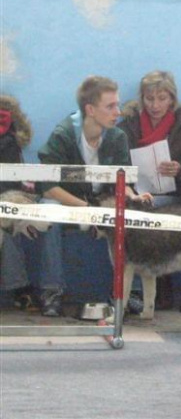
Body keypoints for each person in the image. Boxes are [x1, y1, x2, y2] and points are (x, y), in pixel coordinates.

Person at [37, 76, 151, 316]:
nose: (118, 112)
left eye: (117, 105)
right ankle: (51, 291)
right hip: (69, 200)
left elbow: (123, 181)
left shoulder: (117, 137)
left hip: (103, 201)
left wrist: (132, 196)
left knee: (134, 215)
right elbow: (47, 185)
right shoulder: (64, 134)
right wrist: (85, 207)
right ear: (90, 109)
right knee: (47, 214)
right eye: (110, 107)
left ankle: (130, 291)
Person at [118, 70, 181, 312]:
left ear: (172, 100)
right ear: (142, 99)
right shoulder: (129, 127)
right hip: (142, 195)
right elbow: (120, 162)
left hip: (180, 193)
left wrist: (180, 168)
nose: (155, 105)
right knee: (145, 213)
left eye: (162, 99)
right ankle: (158, 288)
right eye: (149, 98)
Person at [0, 94, 39, 311]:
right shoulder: (12, 139)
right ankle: (20, 290)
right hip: (7, 196)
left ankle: (20, 288)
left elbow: (9, 183)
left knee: (7, 226)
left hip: (5, 196)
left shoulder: (10, 142)